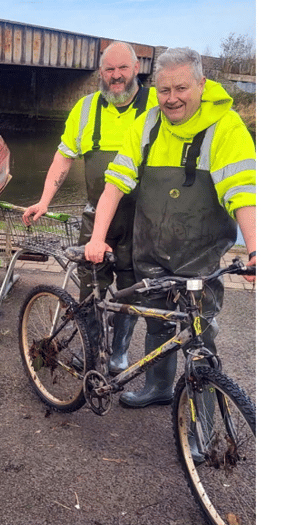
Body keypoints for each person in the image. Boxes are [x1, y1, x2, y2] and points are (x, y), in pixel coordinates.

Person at [85, 47, 256, 408]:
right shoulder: (147, 124)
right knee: (158, 326)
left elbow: (242, 191)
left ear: (201, 84)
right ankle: (158, 388)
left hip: (200, 259)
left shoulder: (226, 127)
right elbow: (114, 185)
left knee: (200, 341)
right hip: (152, 250)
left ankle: (202, 430)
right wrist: (97, 237)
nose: (172, 99)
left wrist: (255, 249)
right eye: (164, 90)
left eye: (182, 89)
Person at [23, 41, 158, 374]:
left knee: (130, 289)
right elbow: (63, 157)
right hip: (95, 217)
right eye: (109, 69)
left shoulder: (158, 105)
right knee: (89, 288)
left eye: (122, 68)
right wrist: (44, 200)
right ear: (101, 72)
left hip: (142, 221)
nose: (116, 76)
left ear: (136, 68)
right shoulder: (85, 108)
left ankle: (119, 353)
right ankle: (92, 348)